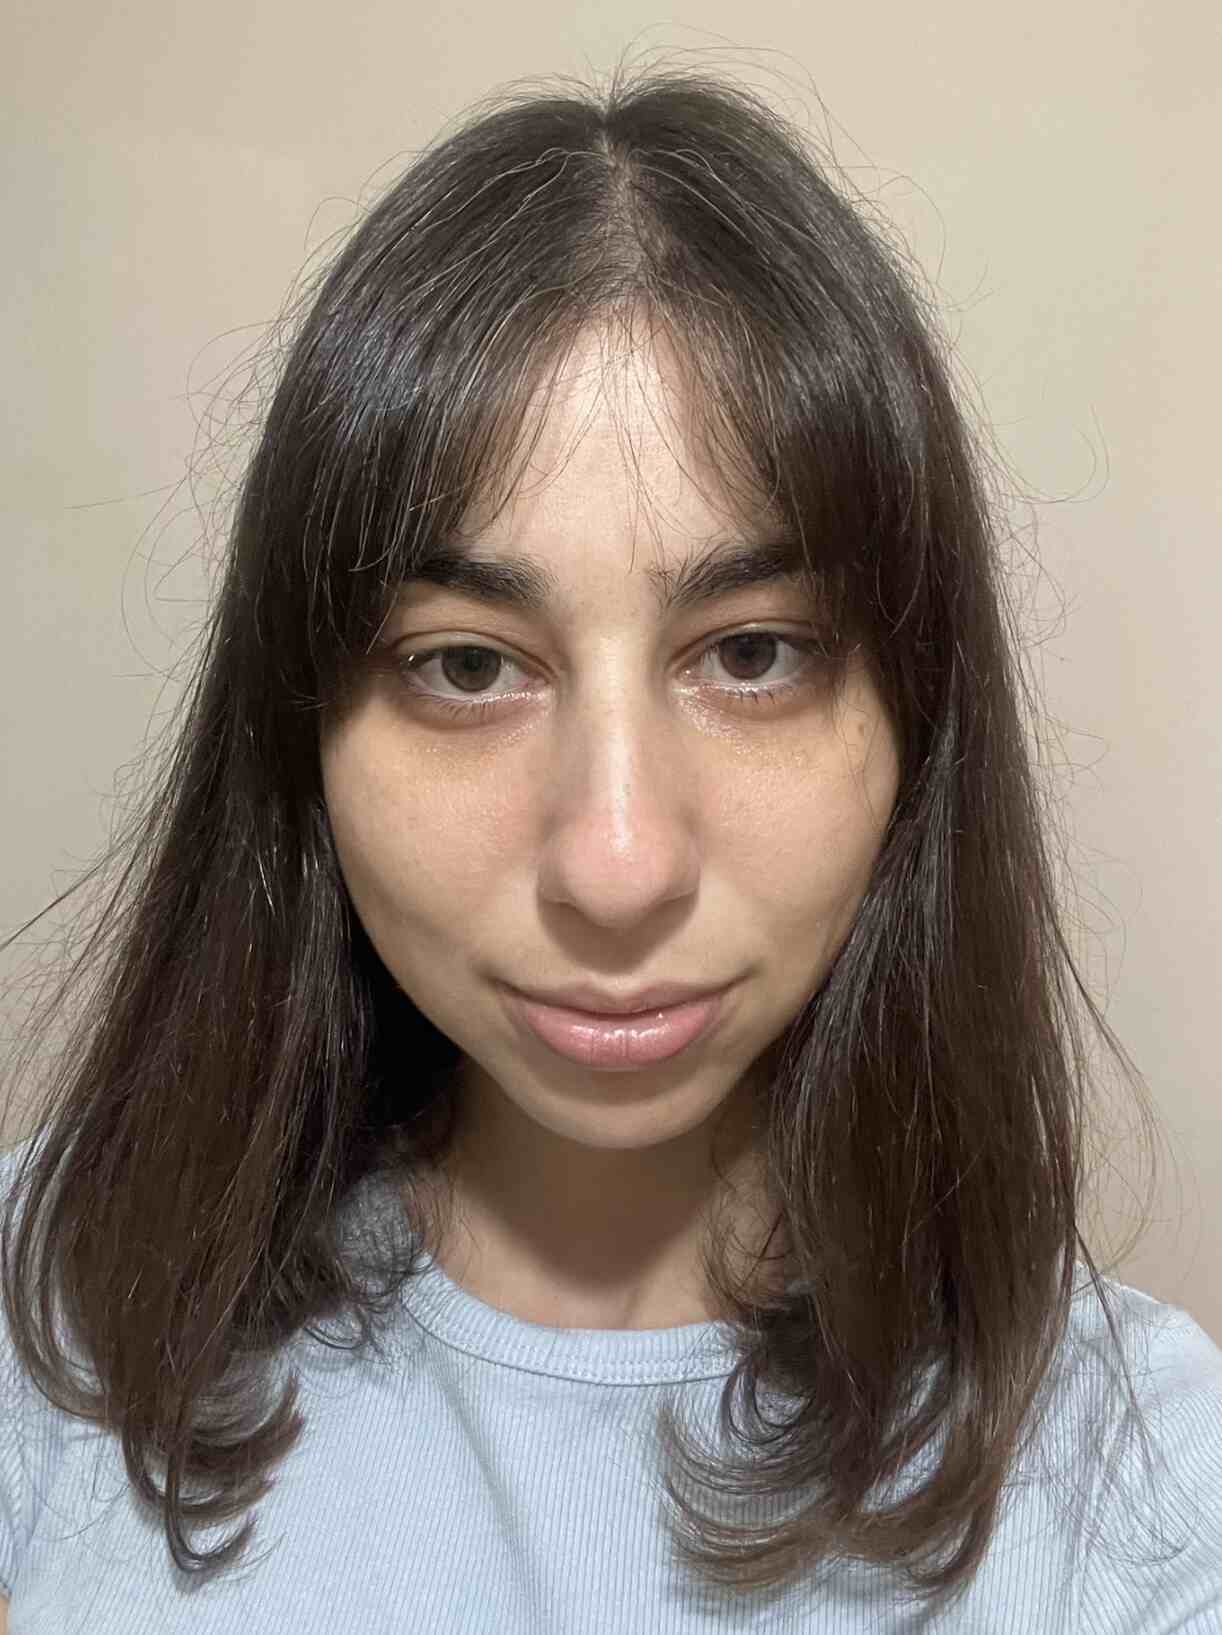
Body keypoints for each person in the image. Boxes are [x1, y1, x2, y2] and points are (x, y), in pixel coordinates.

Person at [1, 65, 1219, 1634]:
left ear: (917, 720)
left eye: (754, 653)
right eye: (465, 665)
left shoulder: (1145, 1494)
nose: (618, 864)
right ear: (299, 727)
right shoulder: (47, 1334)